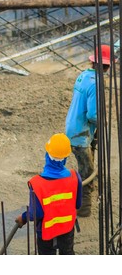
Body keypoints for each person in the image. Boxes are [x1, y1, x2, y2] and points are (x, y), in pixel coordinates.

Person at [15, 133, 82, 255]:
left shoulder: (37, 183)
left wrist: (24, 217)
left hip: (46, 233)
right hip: (67, 229)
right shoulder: (75, 177)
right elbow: (78, 204)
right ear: (66, 158)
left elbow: (36, 214)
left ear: (47, 155)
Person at [64, 44, 111, 217]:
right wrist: (103, 121)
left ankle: (86, 189)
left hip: (73, 125)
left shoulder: (84, 75)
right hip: (80, 133)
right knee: (87, 171)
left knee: (86, 162)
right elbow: (93, 115)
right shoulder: (97, 83)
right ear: (107, 66)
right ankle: (83, 208)